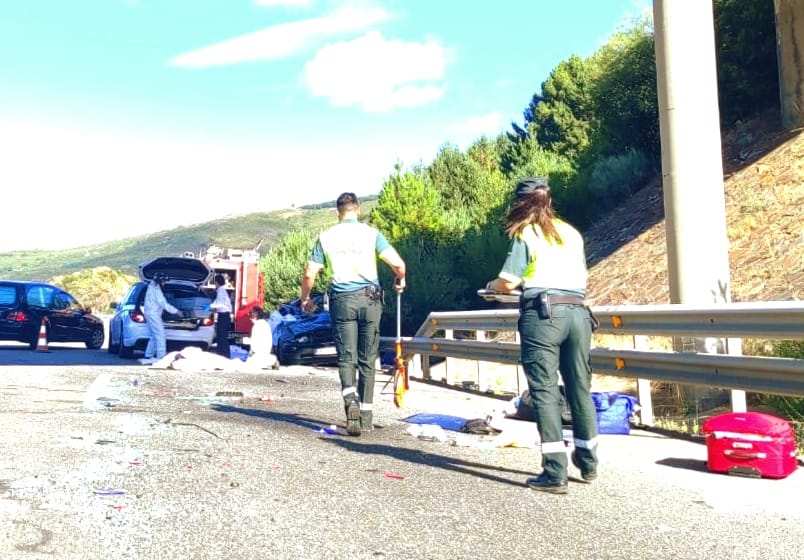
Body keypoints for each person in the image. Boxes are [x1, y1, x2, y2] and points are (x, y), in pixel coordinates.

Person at [485, 176, 598, 494]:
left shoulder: (526, 232)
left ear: (520, 203)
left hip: (544, 315)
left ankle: (554, 472)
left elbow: (508, 282)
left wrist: (492, 286)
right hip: (578, 312)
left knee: (545, 391)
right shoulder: (571, 233)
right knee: (579, 387)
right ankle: (588, 462)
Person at [301, 192, 406, 436]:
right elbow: (398, 264)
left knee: (347, 358)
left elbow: (309, 273)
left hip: (342, 300)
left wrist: (305, 298)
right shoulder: (371, 234)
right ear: (358, 209)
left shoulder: (326, 237)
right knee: (368, 358)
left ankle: (351, 403)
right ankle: (366, 418)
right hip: (370, 300)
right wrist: (400, 279)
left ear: (337, 213)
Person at [142, 273, 180, 364]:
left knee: (153, 335)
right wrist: (176, 311)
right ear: (159, 281)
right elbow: (163, 303)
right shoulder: (156, 290)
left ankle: (148, 355)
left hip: (150, 313)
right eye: (163, 281)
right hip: (153, 314)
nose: (164, 283)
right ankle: (161, 357)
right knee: (160, 335)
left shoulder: (152, 287)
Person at [210, 273, 233, 358]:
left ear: (217, 282)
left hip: (223, 316)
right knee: (222, 337)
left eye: (215, 282)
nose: (214, 284)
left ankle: (223, 356)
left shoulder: (220, 291)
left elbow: (219, 304)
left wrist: (209, 306)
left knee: (221, 337)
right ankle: (223, 355)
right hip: (225, 316)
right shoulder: (222, 291)